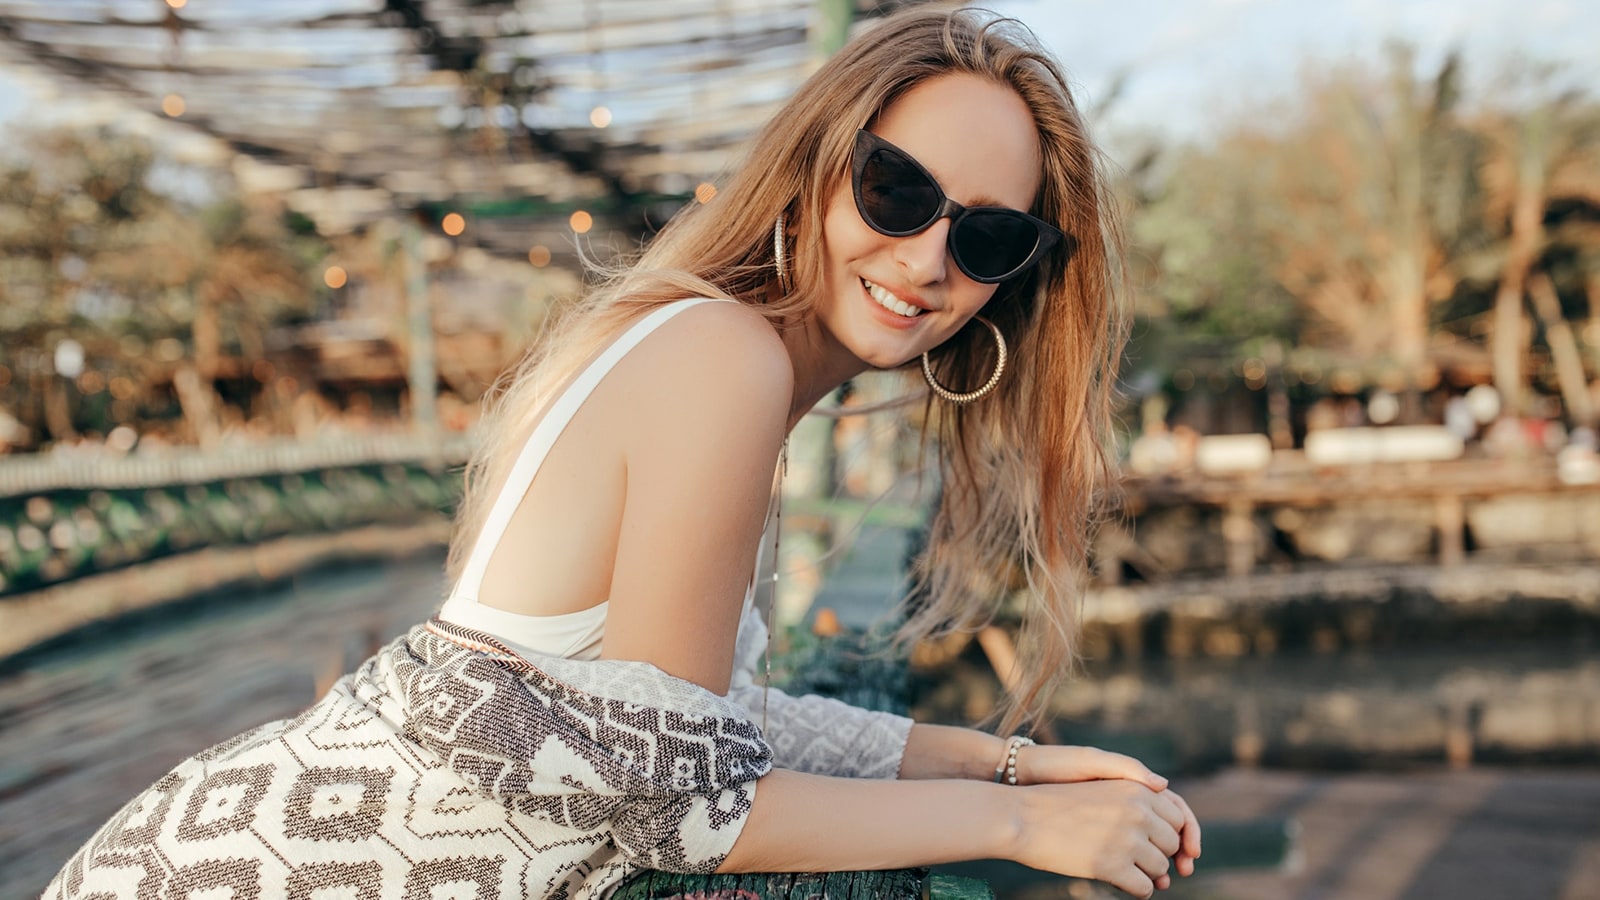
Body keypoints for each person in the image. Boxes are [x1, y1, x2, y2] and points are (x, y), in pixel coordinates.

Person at [46, 9, 1199, 899]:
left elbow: (701, 728)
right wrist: (1019, 824)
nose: (928, 258)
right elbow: (683, 805)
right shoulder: (722, 357)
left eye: (987, 235)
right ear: (814, 165)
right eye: (894, 190)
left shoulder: (713, 348)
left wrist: (1000, 764)